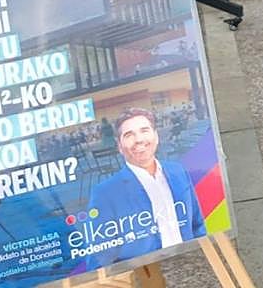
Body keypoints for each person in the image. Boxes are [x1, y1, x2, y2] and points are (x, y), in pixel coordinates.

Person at [84, 107, 206, 269]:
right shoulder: (105, 193)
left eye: (144, 130)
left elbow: (197, 225)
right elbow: (98, 259)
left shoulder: (178, 171)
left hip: (190, 267)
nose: (139, 139)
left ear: (156, 136)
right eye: (129, 135)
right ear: (119, 146)